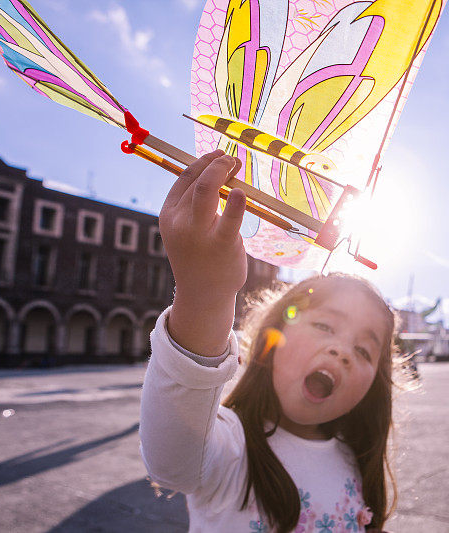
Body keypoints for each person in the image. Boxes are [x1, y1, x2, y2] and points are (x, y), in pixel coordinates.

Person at [140, 151, 403, 532]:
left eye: (364, 350)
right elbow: (170, 465)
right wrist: (205, 295)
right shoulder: (231, 447)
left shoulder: (355, 459)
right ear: (272, 339)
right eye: (326, 327)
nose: (341, 351)